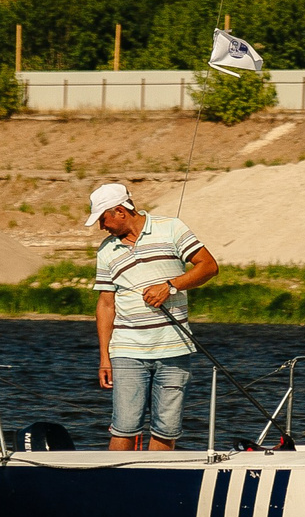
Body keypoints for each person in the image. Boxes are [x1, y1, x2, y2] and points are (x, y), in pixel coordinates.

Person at [88, 181, 219, 451]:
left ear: (120, 211)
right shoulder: (106, 251)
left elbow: (209, 266)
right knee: (124, 426)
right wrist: (105, 357)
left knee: (166, 429)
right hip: (127, 350)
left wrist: (170, 286)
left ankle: (155, 485)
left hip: (174, 348)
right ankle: (114, 485)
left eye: (103, 219)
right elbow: (105, 304)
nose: (102, 227)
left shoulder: (171, 228)